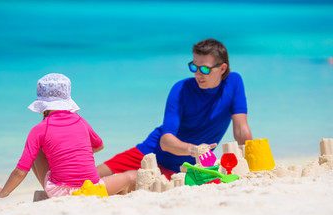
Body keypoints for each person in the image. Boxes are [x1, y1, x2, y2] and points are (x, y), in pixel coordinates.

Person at [97, 38, 252, 180]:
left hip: (185, 168)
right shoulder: (181, 89)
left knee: (131, 178)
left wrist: (250, 159)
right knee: (92, 176)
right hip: (149, 152)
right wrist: (194, 150)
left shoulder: (234, 82)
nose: (198, 74)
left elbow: (240, 129)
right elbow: (165, 142)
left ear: (222, 69)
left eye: (205, 69)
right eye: (194, 67)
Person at [0, 73, 136, 198]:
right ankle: (119, 197)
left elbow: (21, 170)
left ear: (42, 104)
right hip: (93, 190)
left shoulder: (39, 129)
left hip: (61, 194)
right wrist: (75, 152)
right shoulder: (81, 121)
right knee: (127, 178)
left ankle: (47, 195)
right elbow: (99, 146)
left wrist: (3, 192)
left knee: (36, 153)